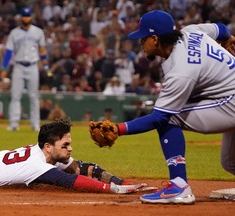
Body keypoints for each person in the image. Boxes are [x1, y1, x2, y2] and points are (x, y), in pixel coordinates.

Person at [99, 10, 235, 204]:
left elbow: (159, 118)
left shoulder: (181, 69)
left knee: (171, 116)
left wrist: (119, 129)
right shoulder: (191, 31)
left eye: (143, 38)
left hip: (231, 101)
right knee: (230, 163)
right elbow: (221, 29)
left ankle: (179, 186)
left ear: (155, 39)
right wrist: (229, 38)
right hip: (228, 94)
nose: (141, 43)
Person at [0, 119, 142, 194]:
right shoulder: (37, 166)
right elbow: (69, 180)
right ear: (48, 147)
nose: (70, 149)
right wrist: (112, 189)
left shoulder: (42, 154)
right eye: (65, 145)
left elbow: (83, 168)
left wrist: (121, 181)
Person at [1, 7, 49, 131]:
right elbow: (8, 52)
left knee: (34, 96)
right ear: (20, 18)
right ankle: (14, 123)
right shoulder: (14, 33)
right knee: (16, 95)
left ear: (31, 17)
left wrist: (45, 65)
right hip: (18, 66)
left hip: (33, 65)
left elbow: (42, 50)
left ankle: (35, 124)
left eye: (27, 16)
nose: (26, 18)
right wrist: (5, 67)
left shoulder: (38, 32)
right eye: (24, 16)